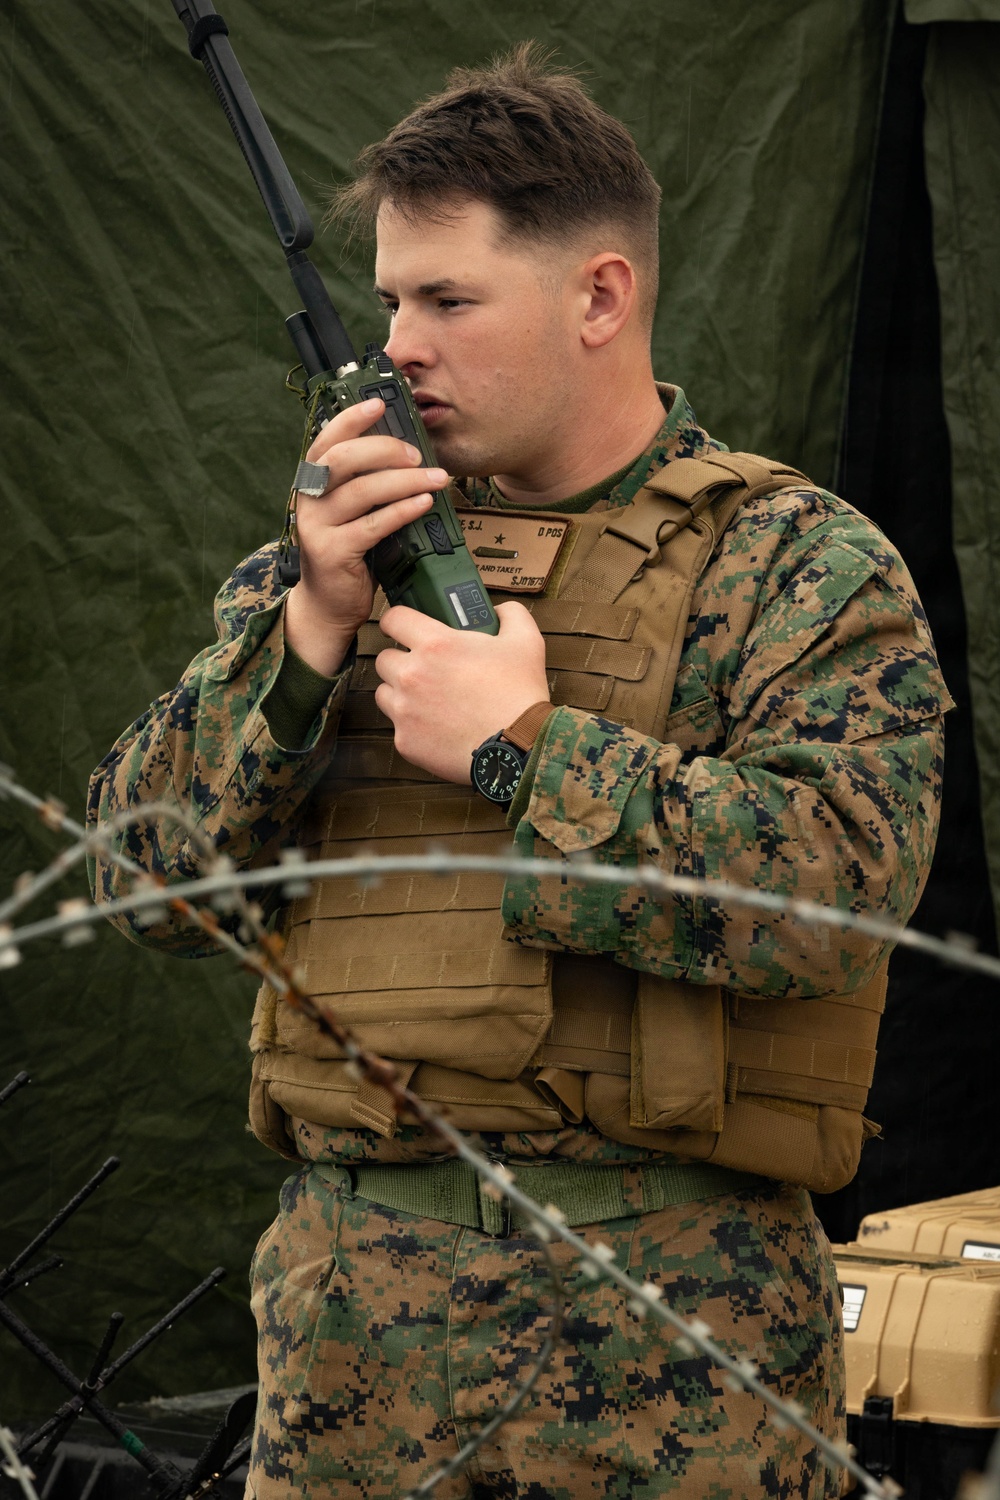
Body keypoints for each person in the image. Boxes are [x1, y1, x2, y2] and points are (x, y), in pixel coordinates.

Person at [89, 43, 950, 1500]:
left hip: (671, 1357)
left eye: (447, 300)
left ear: (599, 296)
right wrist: (305, 641)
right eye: (387, 303)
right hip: (348, 1352)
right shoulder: (334, 567)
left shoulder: (794, 564)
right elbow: (134, 882)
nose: (400, 349)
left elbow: (843, 890)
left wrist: (528, 754)